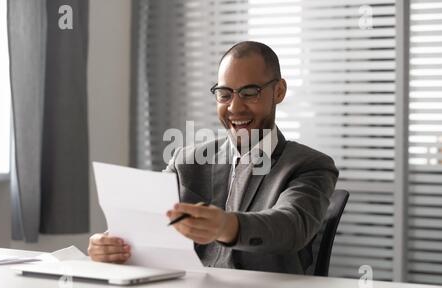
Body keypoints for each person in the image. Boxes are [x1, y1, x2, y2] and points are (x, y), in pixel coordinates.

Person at [88, 41, 339, 274]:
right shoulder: (186, 161)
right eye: (225, 94)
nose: (235, 107)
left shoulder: (310, 165)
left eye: (250, 92)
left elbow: (292, 226)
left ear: (279, 91)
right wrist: (113, 243)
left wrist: (227, 226)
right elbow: (149, 221)